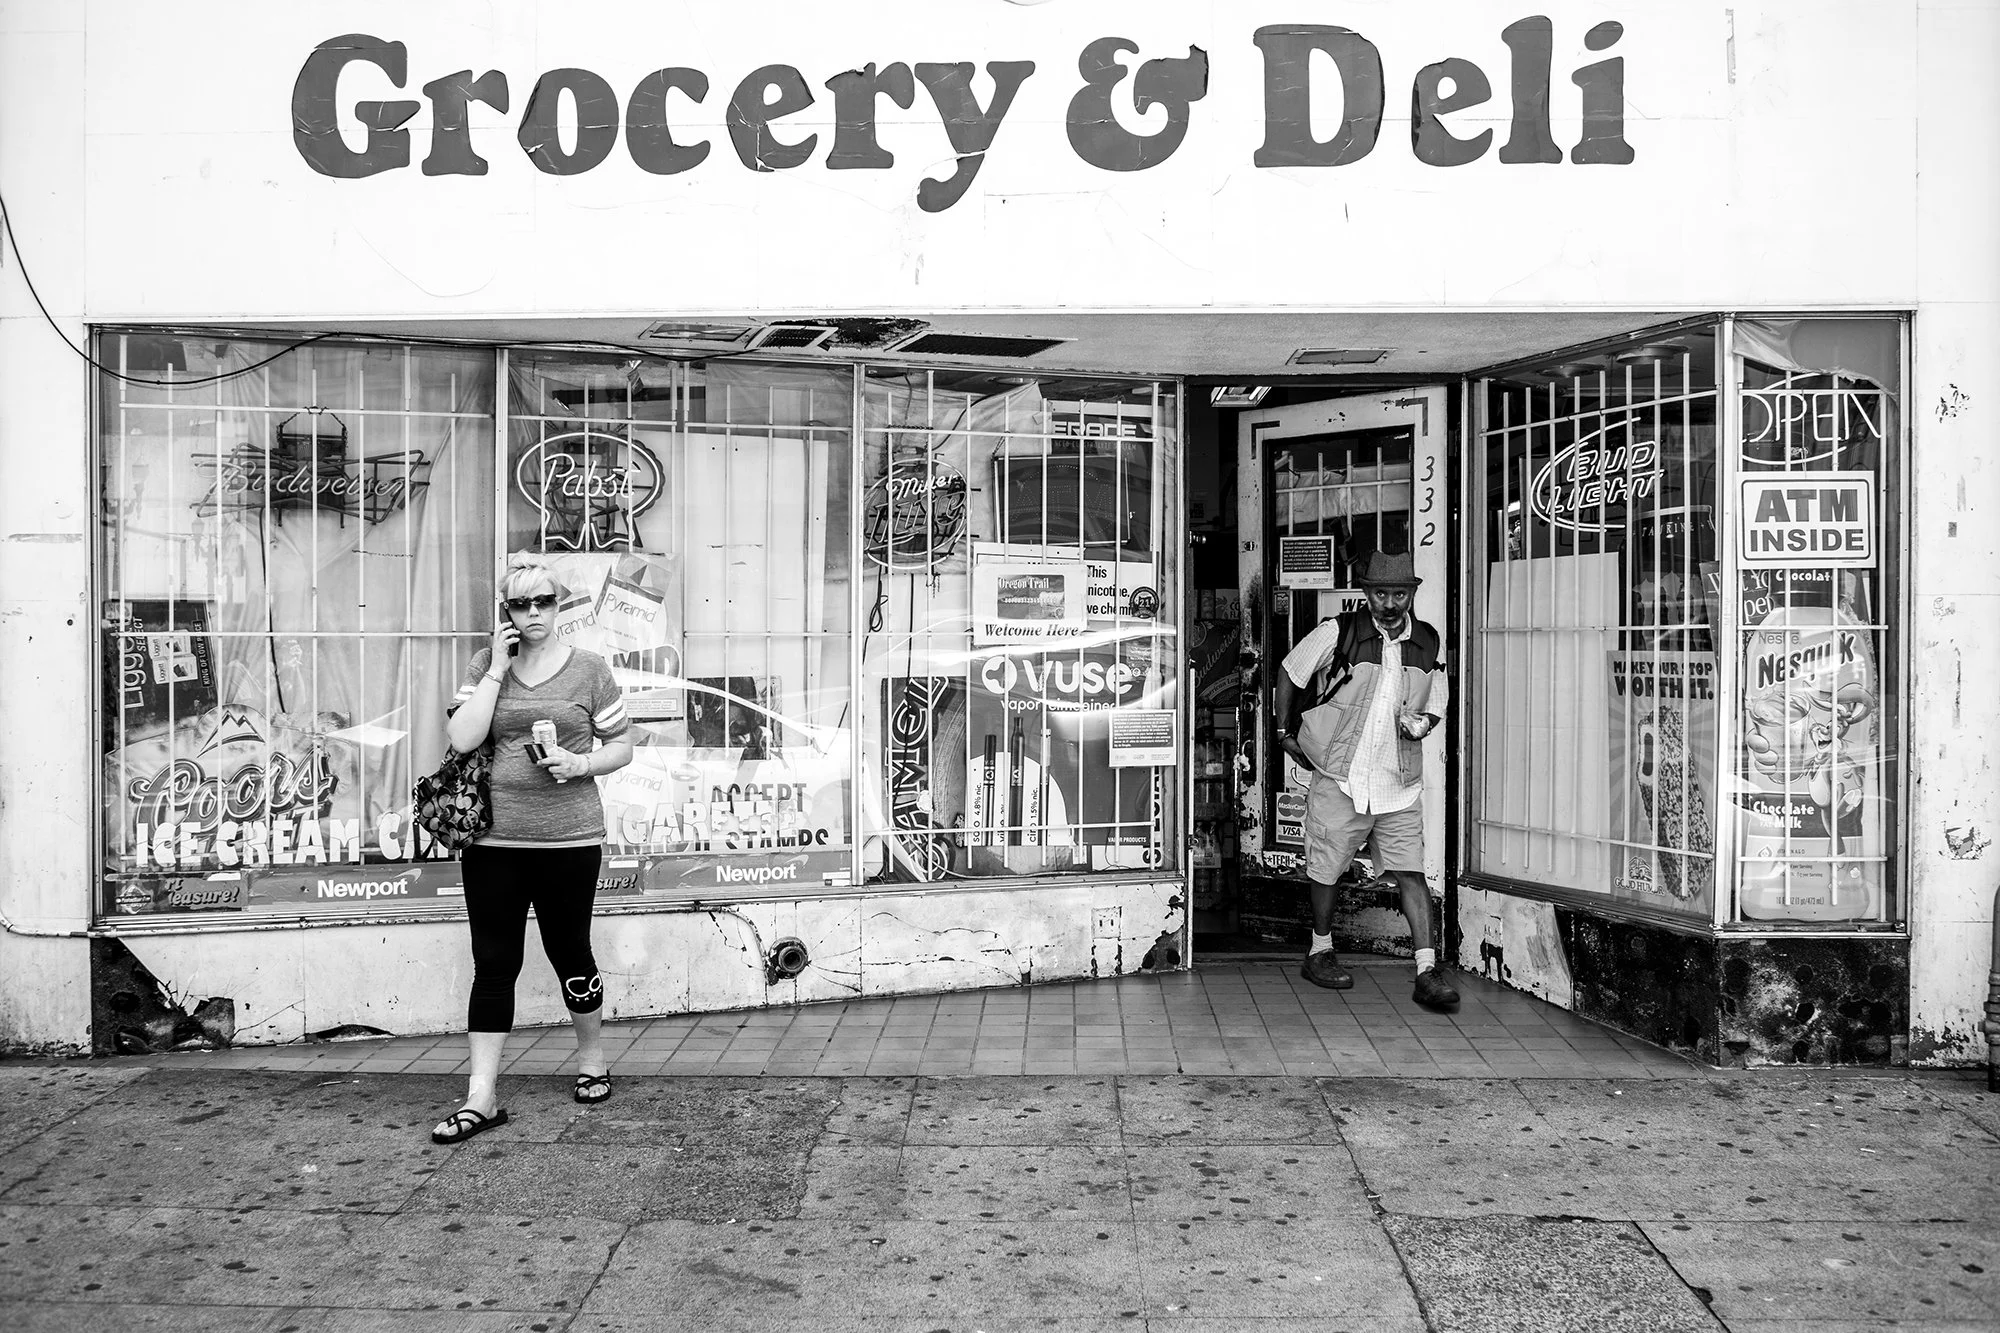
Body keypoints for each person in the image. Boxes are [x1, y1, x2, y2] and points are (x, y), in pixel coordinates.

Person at [430, 553, 636, 1145]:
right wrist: (497, 665)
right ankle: (481, 1097)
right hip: (494, 839)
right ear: (506, 612)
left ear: (560, 605)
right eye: (520, 603)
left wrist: (580, 763)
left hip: (568, 837)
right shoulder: (486, 664)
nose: (533, 613)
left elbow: (622, 746)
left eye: (543, 601)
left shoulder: (589, 670)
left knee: (569, 949)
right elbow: (464, 736)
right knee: (494, 963)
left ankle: (592, 1058)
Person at [1272, 548, 1459, 1011]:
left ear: (1412, 593)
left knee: (1411, 872)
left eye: (1398, 593)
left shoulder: (1429, 642)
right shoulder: (1340, 632)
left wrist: (1426, 723)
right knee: (1327, 867)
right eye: (1380, 594)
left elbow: (1438, 697)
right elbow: (1290, 671)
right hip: (1343, 774)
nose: (1389, 603)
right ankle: (1319, 951)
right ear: (1367, 594)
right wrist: (1281, 731)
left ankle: (1426, 970)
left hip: (1398, 782)